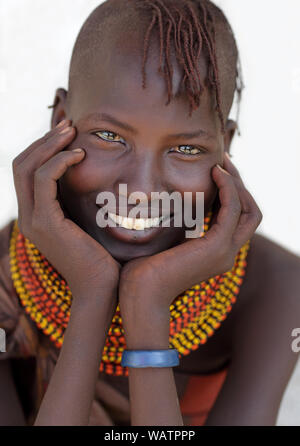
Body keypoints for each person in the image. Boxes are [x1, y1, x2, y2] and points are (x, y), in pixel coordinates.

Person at [0, 0, 299, 426]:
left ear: (225, 143)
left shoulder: (277, 287)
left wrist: (148, 302)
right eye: (109, 136)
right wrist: (91, 295)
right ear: (61, 120)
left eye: (186, 149)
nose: (140, 191)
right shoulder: (6, 280)